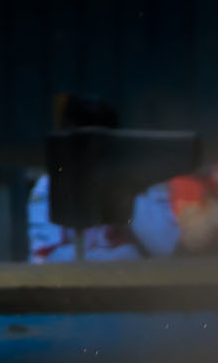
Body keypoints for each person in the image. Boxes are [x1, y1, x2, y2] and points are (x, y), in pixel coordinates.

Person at [27, 95, 148, 262]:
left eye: (100, 143)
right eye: (82, 143)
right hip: (66, 285)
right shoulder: (48, 185)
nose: (90, 152)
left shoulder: (135, 181)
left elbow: (159, 250)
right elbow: (45, 259)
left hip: (126, 284)